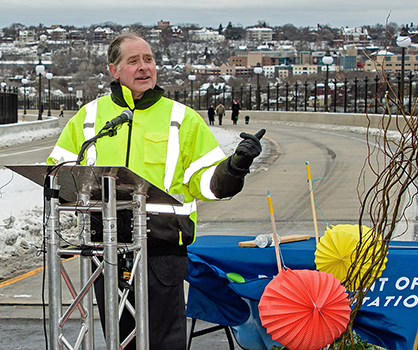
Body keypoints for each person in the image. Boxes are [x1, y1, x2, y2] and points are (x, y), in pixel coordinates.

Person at [46, 32, 264, 350]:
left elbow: (209, 183)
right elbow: (60, 172)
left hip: (160, 250)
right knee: (119, 342)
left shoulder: (181, 120)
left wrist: (236, 166)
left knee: (164, 342)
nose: (144, 67)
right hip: (105, 248)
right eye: (133, 61)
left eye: (148, 59)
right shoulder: (91, 118)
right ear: (114, 70)